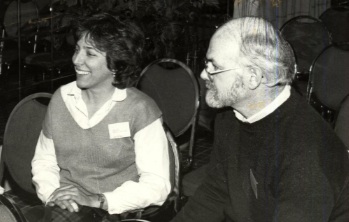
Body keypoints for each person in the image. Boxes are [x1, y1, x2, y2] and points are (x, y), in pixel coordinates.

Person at [171, 17, 349, 222]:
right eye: (206, 63)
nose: (203, 74)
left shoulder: (308, 153)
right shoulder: (228, 118)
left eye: (214, 67)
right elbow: (216, 192)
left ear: (253, 77)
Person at [30, 12, 170, 221]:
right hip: (67, 205)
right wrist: (53, 195)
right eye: (77, 50)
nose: (76, 60)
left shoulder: (140, 109)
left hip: (118, 208)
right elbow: (44, 161)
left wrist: (99, 200)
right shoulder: (62, 99)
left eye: (90, 54)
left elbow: (157, 185)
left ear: (116, 64)